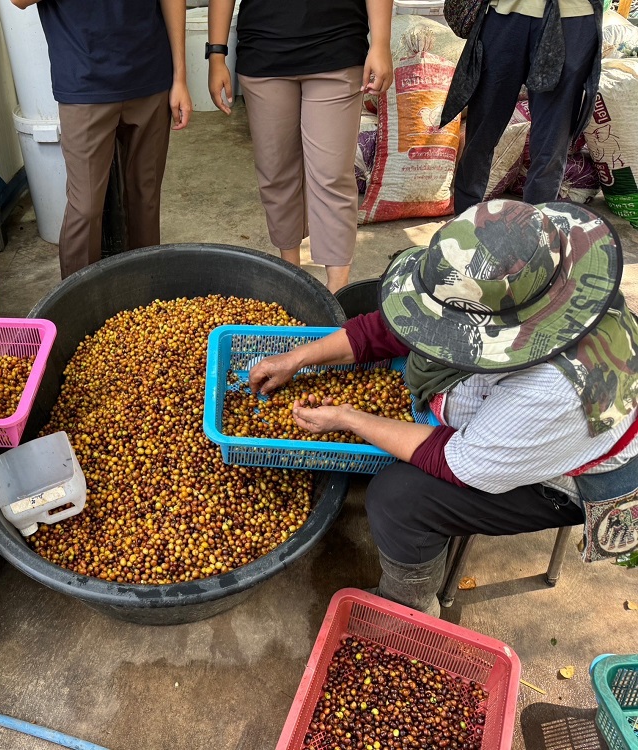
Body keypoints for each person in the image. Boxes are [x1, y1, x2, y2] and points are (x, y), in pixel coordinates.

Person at [249, 200, 638, 616]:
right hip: (527, 418)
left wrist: (349, 417)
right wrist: (298, 358)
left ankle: (410, 603)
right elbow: (400, 326)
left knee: (399, 498)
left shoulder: (551, 392)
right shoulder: (535, 261)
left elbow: (457, 463)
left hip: (572, 475)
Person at [207, 0, 393, 292]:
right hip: (264, 52)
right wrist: (216, 54)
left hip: (337, 47)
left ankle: (336, 291)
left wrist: (381, 42)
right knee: (276, 172)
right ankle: (290, 274)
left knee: (332, 175)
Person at [11, 0, 193, 279]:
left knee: (145, 199)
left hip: (150, 72)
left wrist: (180, 77)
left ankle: (144, 300)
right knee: (85, 209)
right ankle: (76, 306)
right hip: (83, 81)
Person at [442, 0, 603, 214]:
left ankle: (534, 234)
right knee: (480, 134)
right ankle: (463, 223)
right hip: (505, 15)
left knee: (551, 145)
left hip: (572, 18)